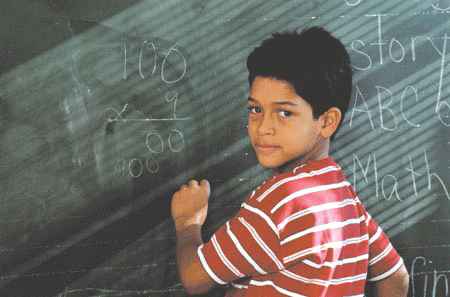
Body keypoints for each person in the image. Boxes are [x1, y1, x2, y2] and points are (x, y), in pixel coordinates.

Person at [171, 27, 410, 296]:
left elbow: (193, 277)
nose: (263, 128)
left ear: (327, 121)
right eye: (255, 110)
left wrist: (188, 221)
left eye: (284, 112)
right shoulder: (345, 199)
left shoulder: (280, 202)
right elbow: (396, 278)